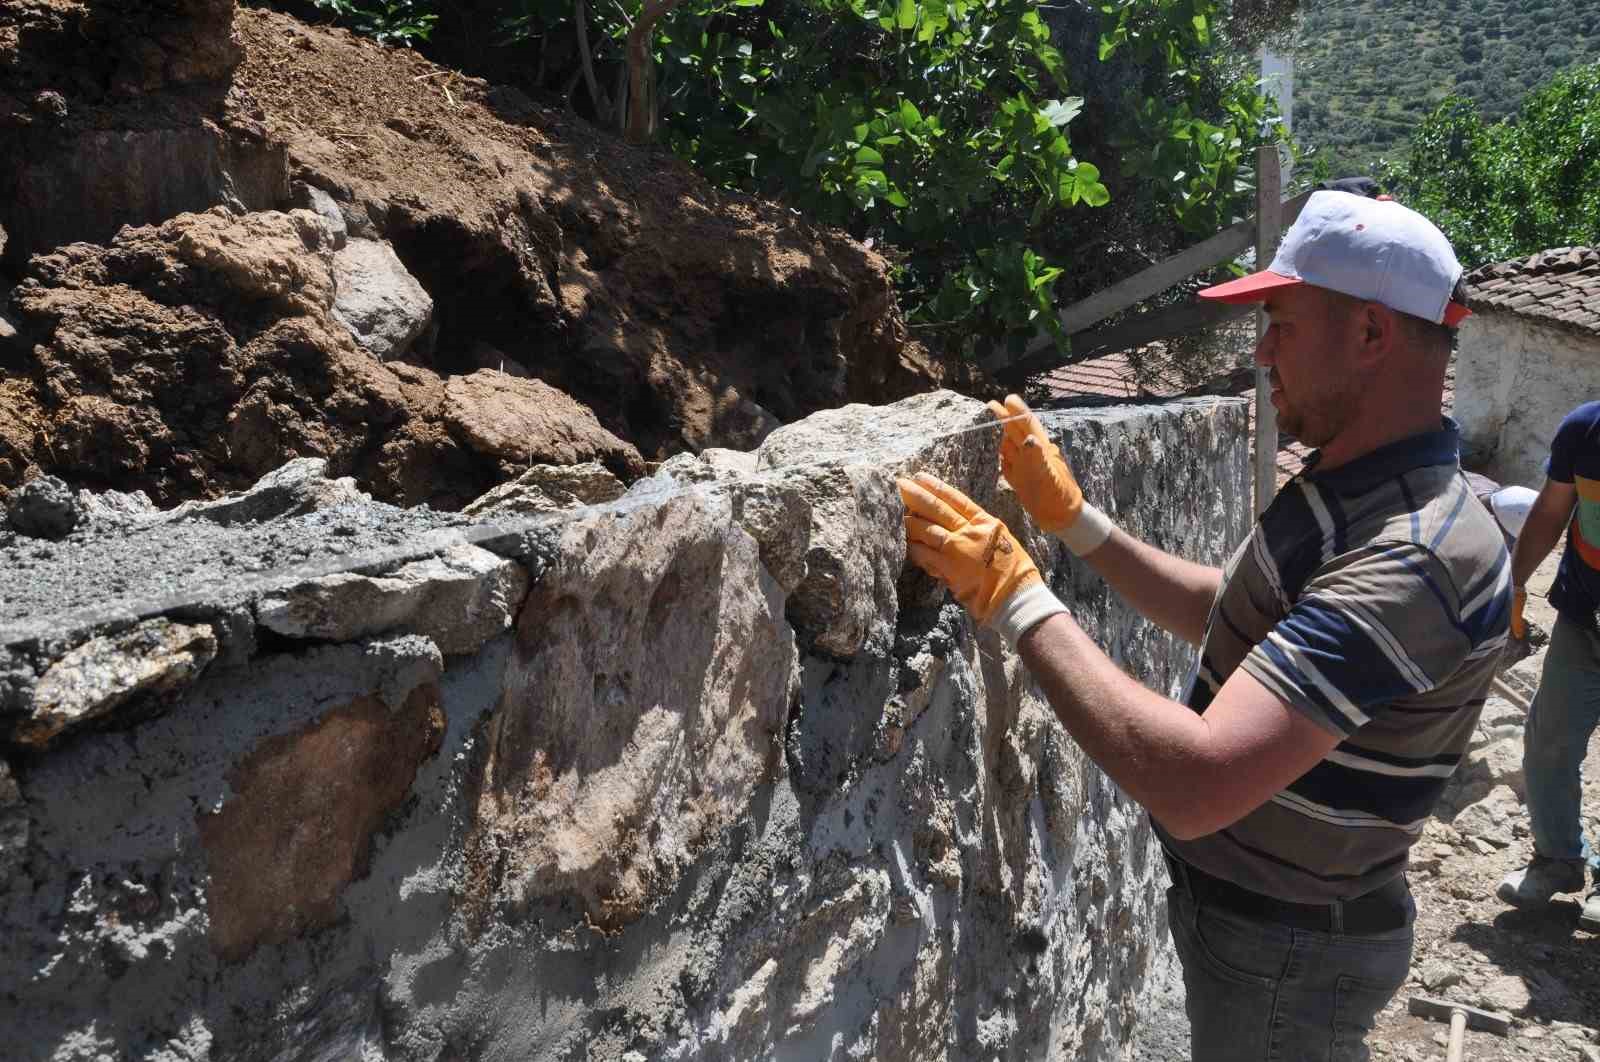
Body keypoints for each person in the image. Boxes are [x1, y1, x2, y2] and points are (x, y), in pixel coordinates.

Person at [898, 190, 1510, 1061]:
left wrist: (1018, 598)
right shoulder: (1359, 487)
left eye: (1282, 324)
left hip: (1289, 954)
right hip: (1273, 932)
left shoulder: (1413, 556)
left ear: (1372, 335)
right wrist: (1078, 526)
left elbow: (1197, 784)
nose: (1261, 353)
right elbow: (1240, 618)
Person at [1494, 402, 1600, 932]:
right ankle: (1558, 858)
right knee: (1550, 739)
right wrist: (1512, 584)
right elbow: (1553, 512)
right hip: (1585, 619)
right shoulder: (1584, 429)